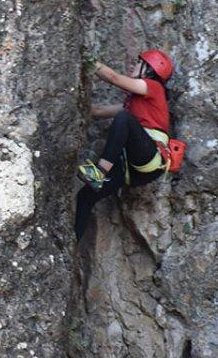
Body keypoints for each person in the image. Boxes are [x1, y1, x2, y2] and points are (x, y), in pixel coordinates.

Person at [75, 49, 174, 239]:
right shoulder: (133, 104)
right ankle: (72, 251)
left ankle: (99, 173)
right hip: (132, 170)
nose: (133, 66)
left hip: (151, 156)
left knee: (124, 119)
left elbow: (114, 78)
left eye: (139, 63)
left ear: (150, 70)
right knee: (85, 197)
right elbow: (98, 111)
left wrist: (89, 60)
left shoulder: (153, 87)